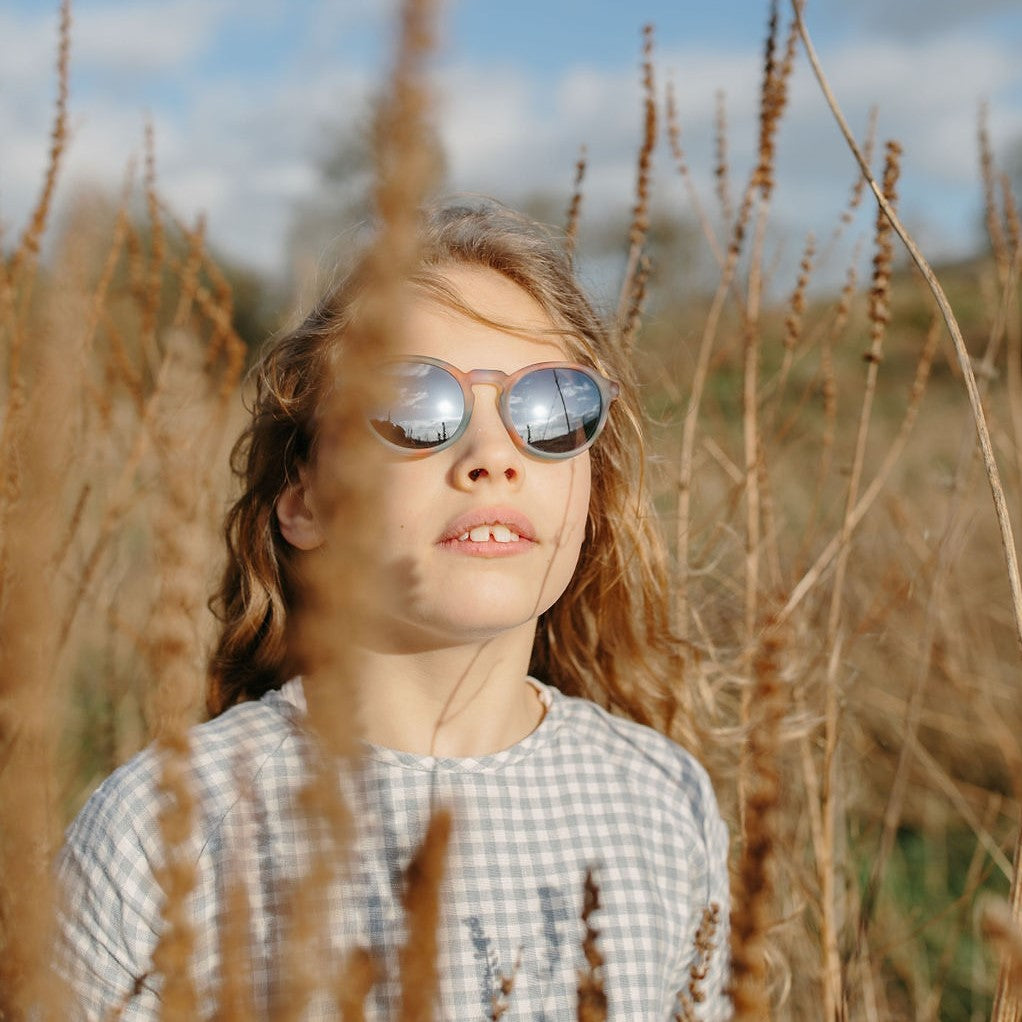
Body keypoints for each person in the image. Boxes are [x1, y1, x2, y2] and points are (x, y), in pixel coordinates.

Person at [57, 200, 730, 1020]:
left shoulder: (660, 801)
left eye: (551, 406)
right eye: (417, 408)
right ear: (304, 501)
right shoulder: (164, 832)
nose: (493, 459)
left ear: (592, 493)